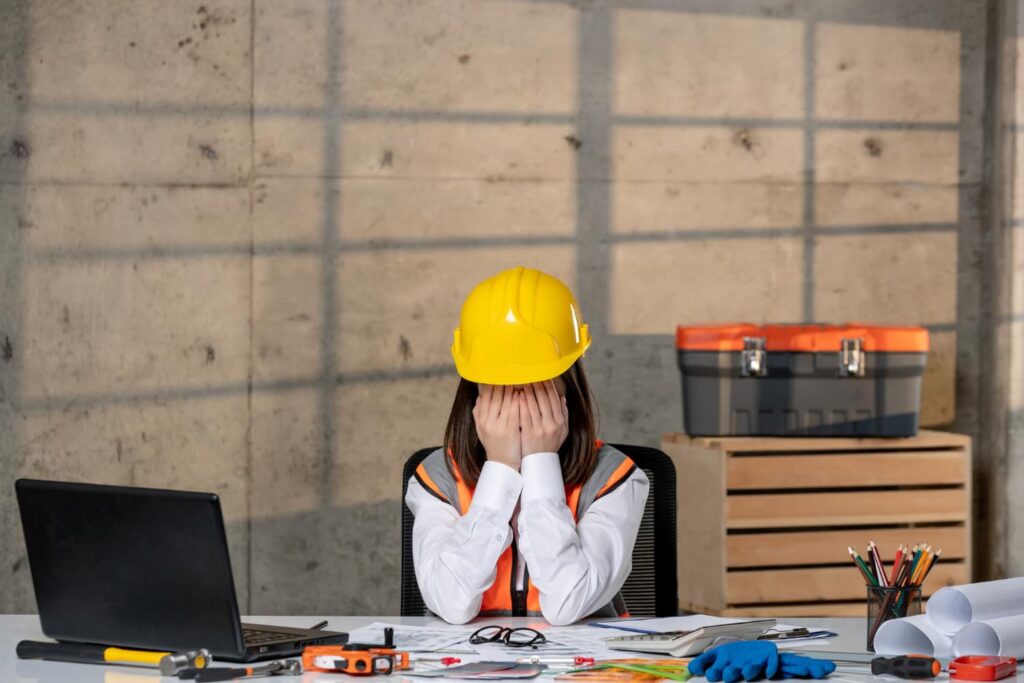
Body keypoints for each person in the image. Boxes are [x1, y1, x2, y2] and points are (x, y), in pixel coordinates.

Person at [404, 266, 650, 625]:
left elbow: (568, 603)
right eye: (501, 380)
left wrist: (540, 461)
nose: (518, 395)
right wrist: (500, 470)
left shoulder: (617, 477)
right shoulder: (436, 478)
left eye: (535, 380)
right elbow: (452, 602)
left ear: (568, 381)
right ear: (473, 387)